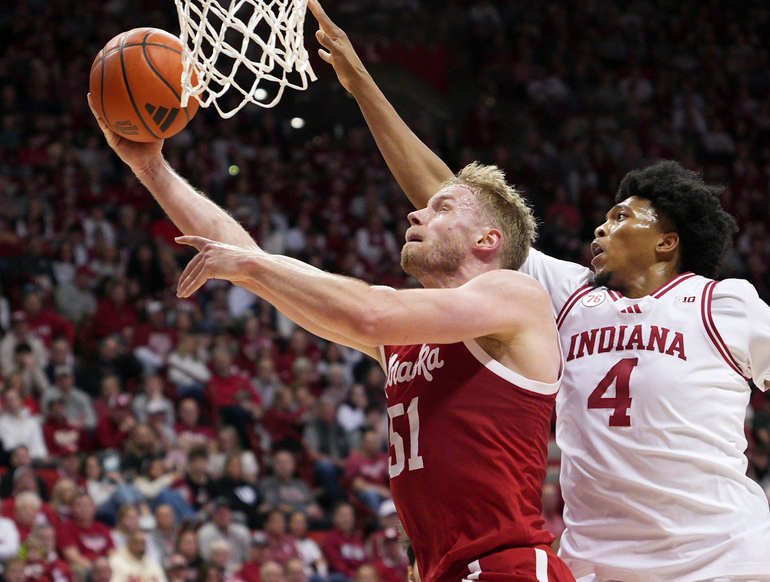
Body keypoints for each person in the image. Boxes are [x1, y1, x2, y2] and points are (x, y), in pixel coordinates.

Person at [307, 0, 770, 582]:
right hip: (602, 565)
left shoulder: (723, 304)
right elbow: (450, 200)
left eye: (624, 216)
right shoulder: (565, 293)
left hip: (726, 560)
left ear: (668, 241)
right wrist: (362, 82)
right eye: (606, 215)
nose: (603, 225)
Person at [87, 92, 573, 582]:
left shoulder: (518, 296)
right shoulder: (407, 339)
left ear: (487, 239)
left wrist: (255, 265)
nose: (415, 215)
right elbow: (245, 260)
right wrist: (151, 167)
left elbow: (367, 312)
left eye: (441, 207)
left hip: (507, 566)